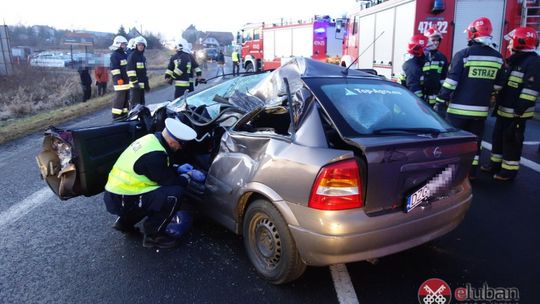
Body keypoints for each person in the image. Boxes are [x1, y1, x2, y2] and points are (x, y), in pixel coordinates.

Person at [103, 118, 206, 248]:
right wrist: (188, 176)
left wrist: (177, 168)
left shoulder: (152, 139)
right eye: (181, 144)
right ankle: (153, 236)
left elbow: (157, 169)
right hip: (124, 200)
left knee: (151, 195)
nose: (181, 148)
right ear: (172, 141)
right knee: (174, 194)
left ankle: (124, 223)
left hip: (117, 194)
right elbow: (171, 182)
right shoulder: (154, 155)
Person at [434, 17, 505, 179]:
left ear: (473, 34)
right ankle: (471, 173)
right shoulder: (497, 58)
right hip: (480, 112)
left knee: (454, 142)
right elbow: (499, 85)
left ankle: (451, 174)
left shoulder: (463, 55)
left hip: (457, 111)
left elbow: (451, 82)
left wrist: (440, 100)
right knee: (475, 143)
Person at [481, 27, 540, 180]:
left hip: (516, 114)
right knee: (498, 138)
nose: (508, 45)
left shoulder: (533, 62)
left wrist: (519, 110)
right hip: (504, 110)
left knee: (512, 142)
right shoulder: (516, 59)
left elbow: (530, 90)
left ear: (520, 42)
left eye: (510, 42)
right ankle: (495, 164)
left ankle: (508, 171)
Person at [422, 26, 449, 107]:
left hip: (435, 98)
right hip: (420, 97)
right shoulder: (420, 56)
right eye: (433, 40)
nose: (436, 42)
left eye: (438, 40)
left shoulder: (442, 57)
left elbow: (443, 78)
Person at [400, 34, 428, 99]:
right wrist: (421, 102)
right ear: (418, 50)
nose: (427, 51)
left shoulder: (418, 63)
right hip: (409, 100)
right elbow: (413, 88)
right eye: (425, 49)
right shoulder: (412, 66)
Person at [109, 35, 130, 120]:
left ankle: (124, 114)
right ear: (118, 44)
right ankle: (116, 115)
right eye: (123, 44)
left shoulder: (124, 55)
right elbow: (115, 69)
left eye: (125, 44)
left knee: (125, 99)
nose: (124, 46)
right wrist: (118, 79)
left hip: (126, 81)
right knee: (119, 99)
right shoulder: (115, 55)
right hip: (120, 82)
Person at [127, 36, 149, 107]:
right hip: (135, 86)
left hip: (141, 86)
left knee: (142, 105)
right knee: (135, 106)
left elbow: (144, 73)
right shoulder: (132, 56)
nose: (141, 46)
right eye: (139, 45)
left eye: (142, 45)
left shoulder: (143, 57)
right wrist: (135, 83)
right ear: (136, 45)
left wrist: (146, 84)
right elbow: (130, 71)